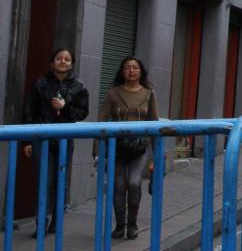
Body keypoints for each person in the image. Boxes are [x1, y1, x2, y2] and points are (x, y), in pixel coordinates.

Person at [23, 48, 89, 236]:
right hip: (41, 137)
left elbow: (82, 113)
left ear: (72, 64)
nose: (62, 61)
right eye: (58, 58)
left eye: (67, 59)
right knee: (44, 179)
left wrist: (65, 106)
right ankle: (40, 224)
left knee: (62, 181)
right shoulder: (40, 83)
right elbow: (29, 112)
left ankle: (56, 222)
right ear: (52, 63)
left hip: (64, 139)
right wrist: (27, 141)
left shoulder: (79, 86)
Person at [96, 57, 159, 240]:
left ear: (141, 72)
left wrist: (157, 154)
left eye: (135, 68)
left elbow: (155, 123)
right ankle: (120, 226)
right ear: (121, 72)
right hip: (118, 146)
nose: (131, 71)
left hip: (141, 147)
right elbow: (101, 120)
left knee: (133, 182)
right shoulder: (113, 94)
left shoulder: (149, 94)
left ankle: (132, 224)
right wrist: (96, 150)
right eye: (127, 68)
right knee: (118, 185)